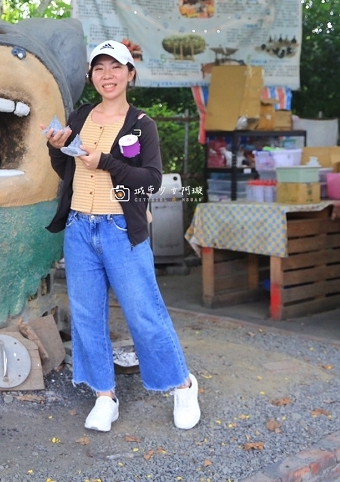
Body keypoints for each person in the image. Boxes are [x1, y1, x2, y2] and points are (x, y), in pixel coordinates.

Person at [41, 40, 200, 432]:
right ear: (91, 76)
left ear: (130, 74)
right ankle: (104, 396)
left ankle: (182, 384)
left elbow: (151, 179)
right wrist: (56, 148)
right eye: (99, 68)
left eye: (116, 67)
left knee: (144, 313)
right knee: (87, 315)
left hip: (119, 230)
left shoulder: (141, 124)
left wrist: (106, 162)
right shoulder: (79, 117)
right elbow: (67, 170)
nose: (107, 75)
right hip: (80, 229)